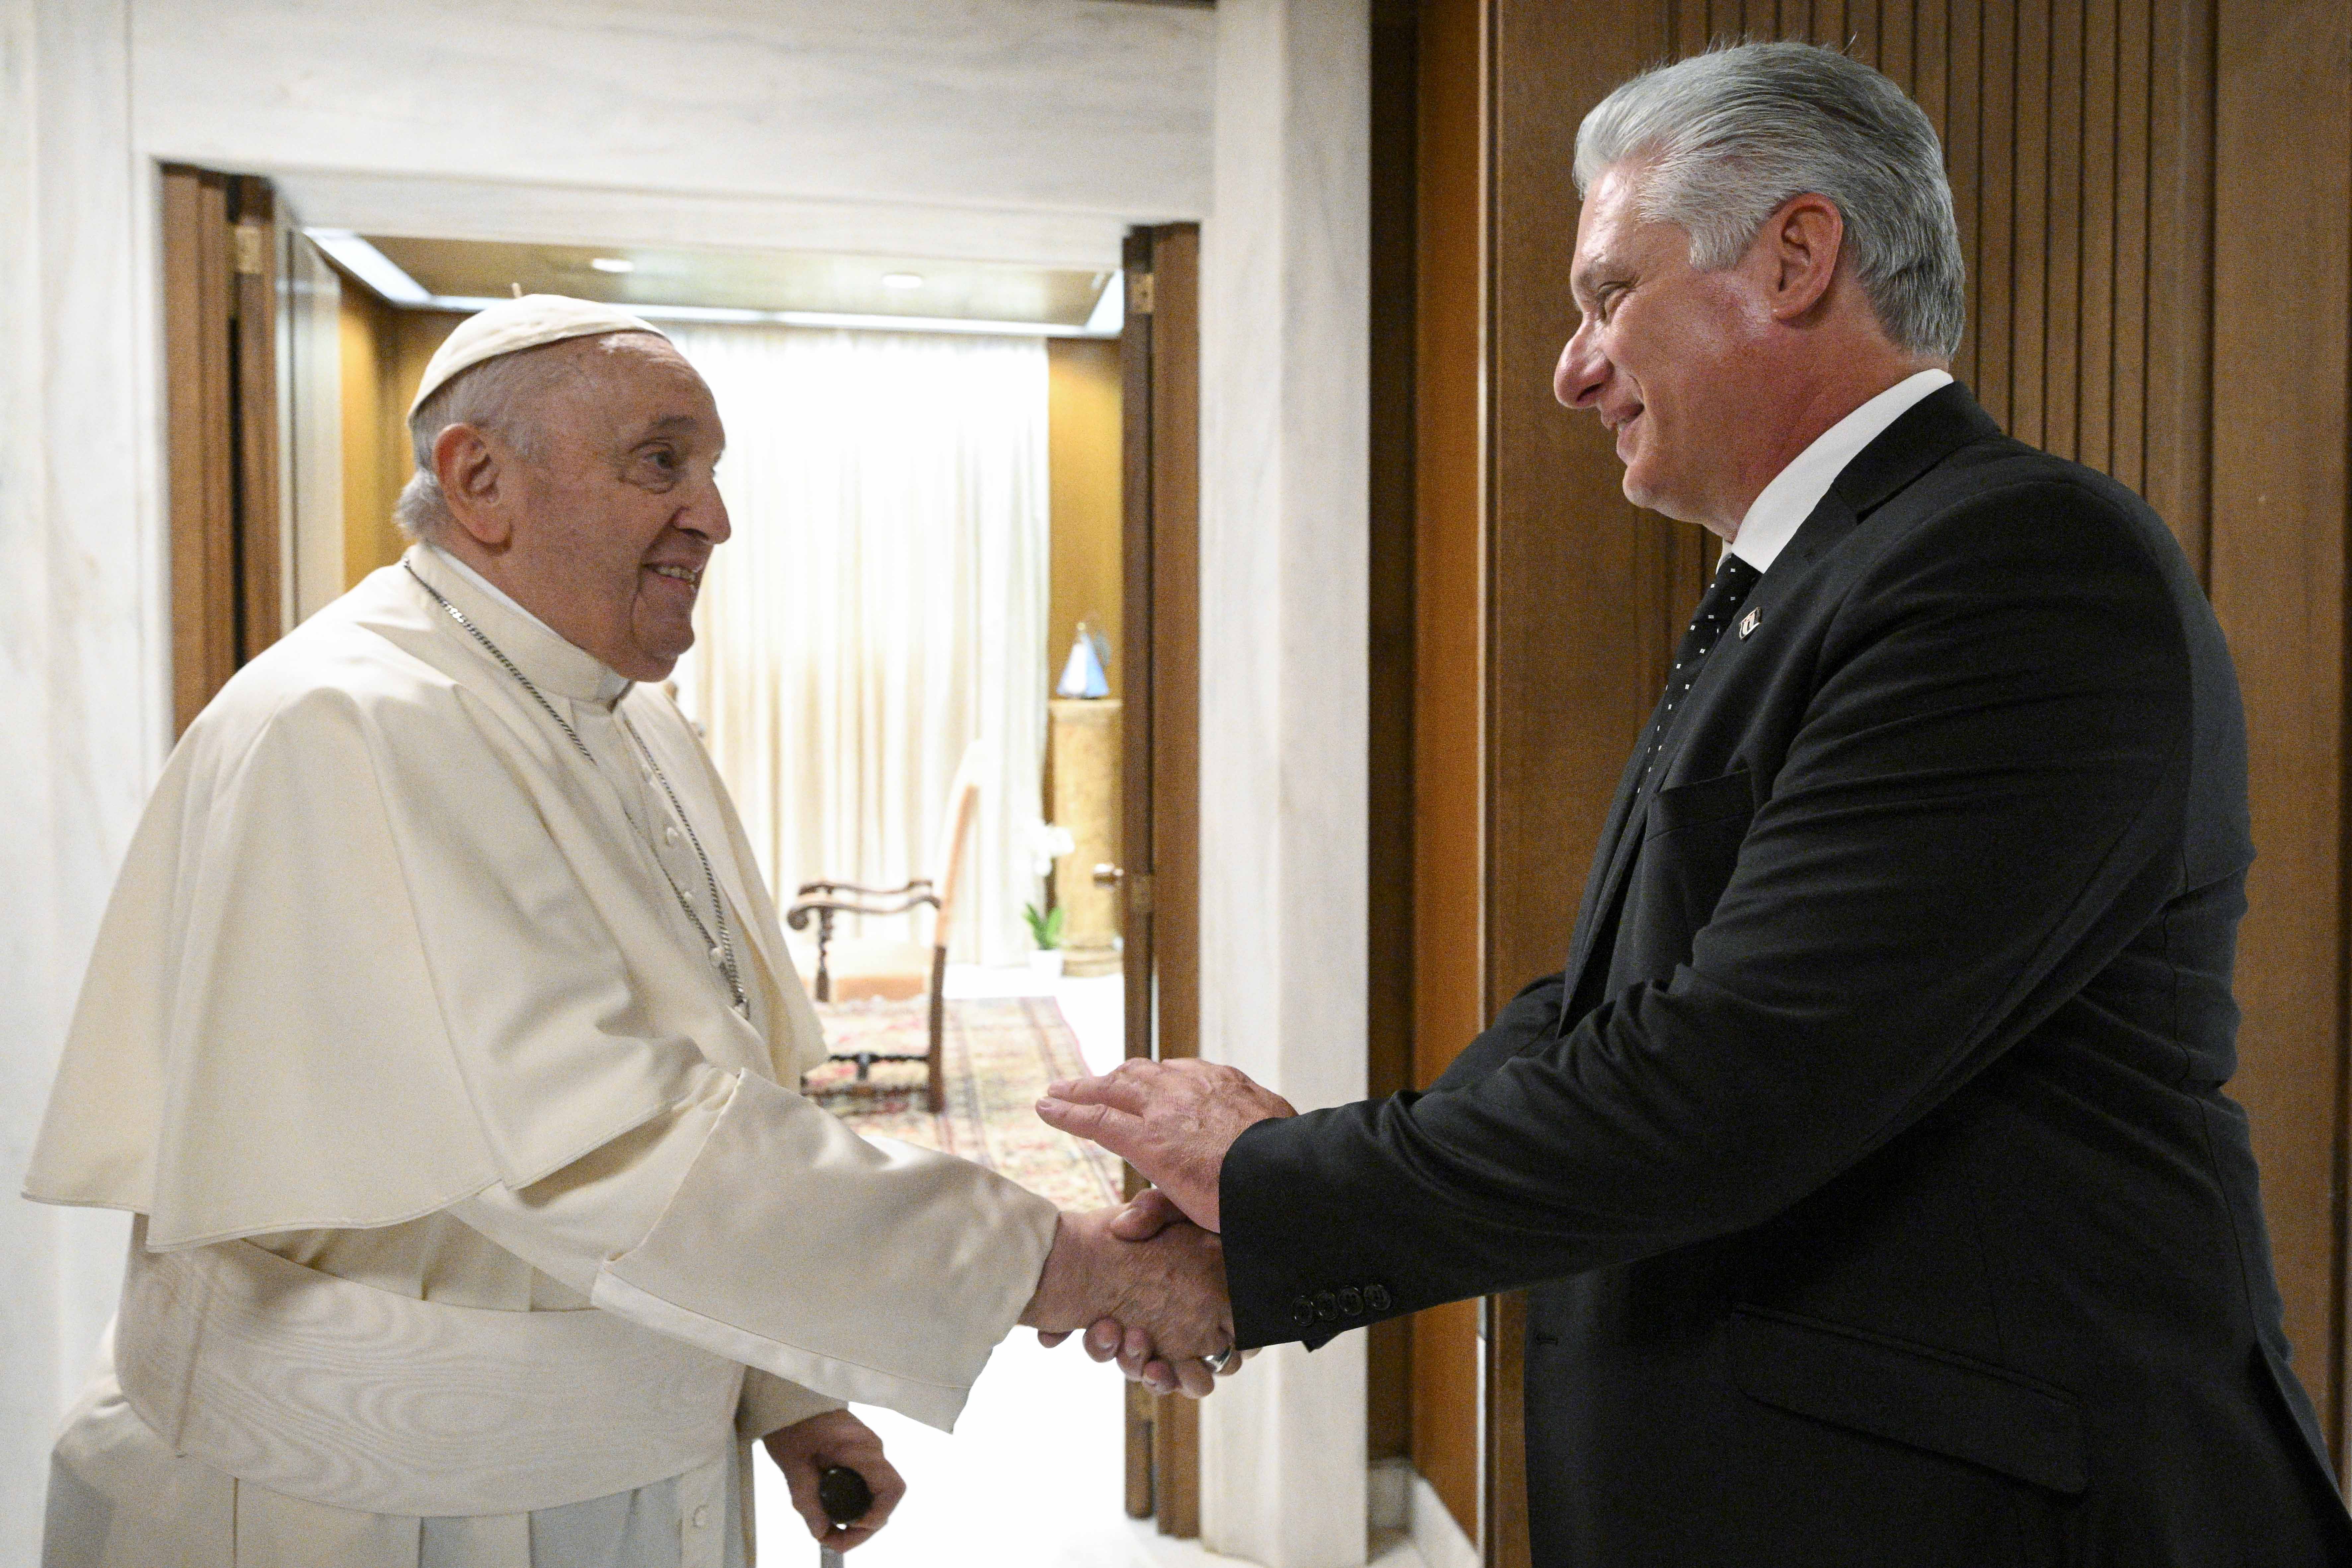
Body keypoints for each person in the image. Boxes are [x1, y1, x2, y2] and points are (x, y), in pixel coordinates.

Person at [1040, 41, 2352, 1565]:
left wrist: (1279, 1191)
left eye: (1608, 294)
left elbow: (1737, 1074)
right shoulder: (1816, 579)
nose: (1570, 367)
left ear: (1794, 256)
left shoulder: (2010, 566)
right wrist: (1273, 1227)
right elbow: (1610, 1015)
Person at [28, 295, 1232, 1568]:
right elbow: (598, 1142)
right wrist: (1078, 1266)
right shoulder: (351, 723)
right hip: (371, 1506)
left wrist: (784, 1393)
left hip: (633, 1474)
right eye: (663, 463)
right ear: (480, 480)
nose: (714, 516)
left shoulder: (631, 716)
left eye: (714, 472)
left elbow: (720, 1090)